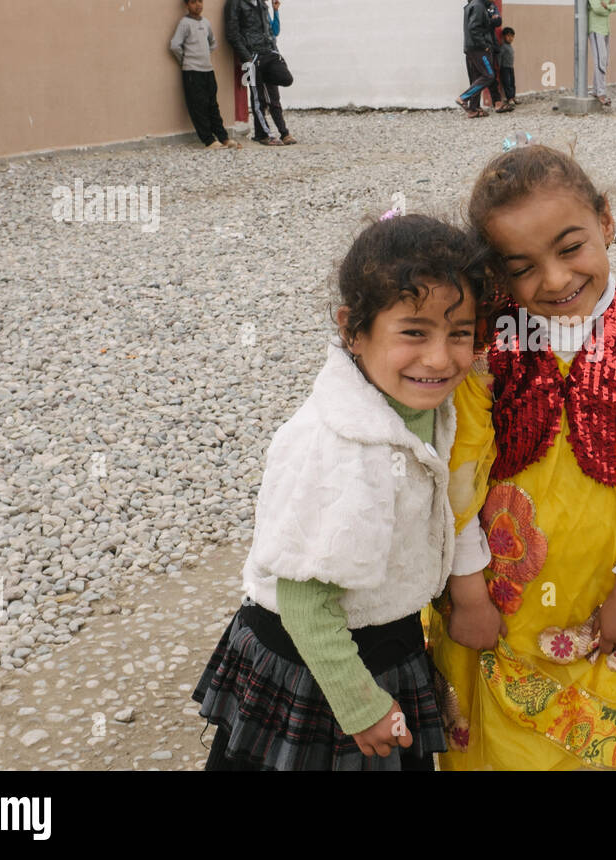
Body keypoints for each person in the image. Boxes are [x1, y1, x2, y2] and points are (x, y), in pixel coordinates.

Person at [427, 143, 616, 770]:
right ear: (497, 273)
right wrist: (467, 594)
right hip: (495, 595)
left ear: (605, 220)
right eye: (522, 267)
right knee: (500, 745)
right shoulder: (487, 344)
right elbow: (459, 472)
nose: (554, 280)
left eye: (571, 248)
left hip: (600, 593)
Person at [192, 214, 490, 771]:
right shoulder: (341, 450)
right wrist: (359, 705)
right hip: (321, 665)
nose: (440, 358)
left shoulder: (421, 405)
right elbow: (307, 603)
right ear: (353, 329)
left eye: (460, 333)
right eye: (414, 332)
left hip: (384, 642)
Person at [224, 0, 294, 147]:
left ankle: (282, 131)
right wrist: (247, 57)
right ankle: (264, 135)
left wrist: (272, 48)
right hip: (251, 57)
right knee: (257, 98)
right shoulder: (234, 1)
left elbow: (267, 27)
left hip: (268, 52)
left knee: (284, 80)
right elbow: (232, 33)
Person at [169, 0, 239, 150]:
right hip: (192, 72)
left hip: (208, 70)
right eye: (193, 2)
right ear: (187, 5)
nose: (198, 5)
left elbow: (213, 42)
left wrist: (204, 54)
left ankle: (223, 137)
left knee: (212, 105)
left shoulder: (205, 22)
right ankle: (208, 140)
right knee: (198, 107)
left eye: (200, 0)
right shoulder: (184, 23)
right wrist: (185, 61)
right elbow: (174, 46)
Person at [255, 0, 296, 145]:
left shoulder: (265, 8)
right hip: (261, 57)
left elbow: (275, 31)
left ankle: (281, 132)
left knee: (276, 93)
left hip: (272, 55)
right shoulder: (255, 7)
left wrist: (276, 10)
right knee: (266, 100)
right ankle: (276, 133)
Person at [457, 0, 504, 117]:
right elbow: (474, 28)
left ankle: (473, 110)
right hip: (478, 48)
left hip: (471, 47)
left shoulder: (472, 5)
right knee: (489, 76)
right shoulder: (479, 6)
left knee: (478, 77)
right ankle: (463, 98)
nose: (494, 0)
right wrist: (485, 45)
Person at [498, 27, 517, 107]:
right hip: (504, 68)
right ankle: (509, 98)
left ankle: (513, 97)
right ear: (504, 37)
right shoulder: (503, 46)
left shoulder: (510, 46)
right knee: (507, 83)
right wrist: (499, 66)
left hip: (510, 67)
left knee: (512, 83)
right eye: (508, 36)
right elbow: (499, 57)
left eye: (512, 36)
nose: (510, 38)